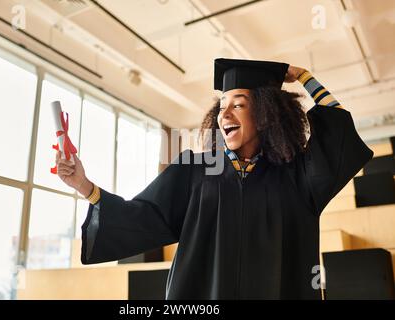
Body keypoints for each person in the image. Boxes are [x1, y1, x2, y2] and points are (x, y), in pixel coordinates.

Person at [55, 58, 373, 299]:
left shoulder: (297, 175)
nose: (225, 114)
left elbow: (338, 130)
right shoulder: (194, 170)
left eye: (238, 104)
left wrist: (304, 77)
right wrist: (85, 186)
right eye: (222, 106)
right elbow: (144, 218)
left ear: (265, 113)